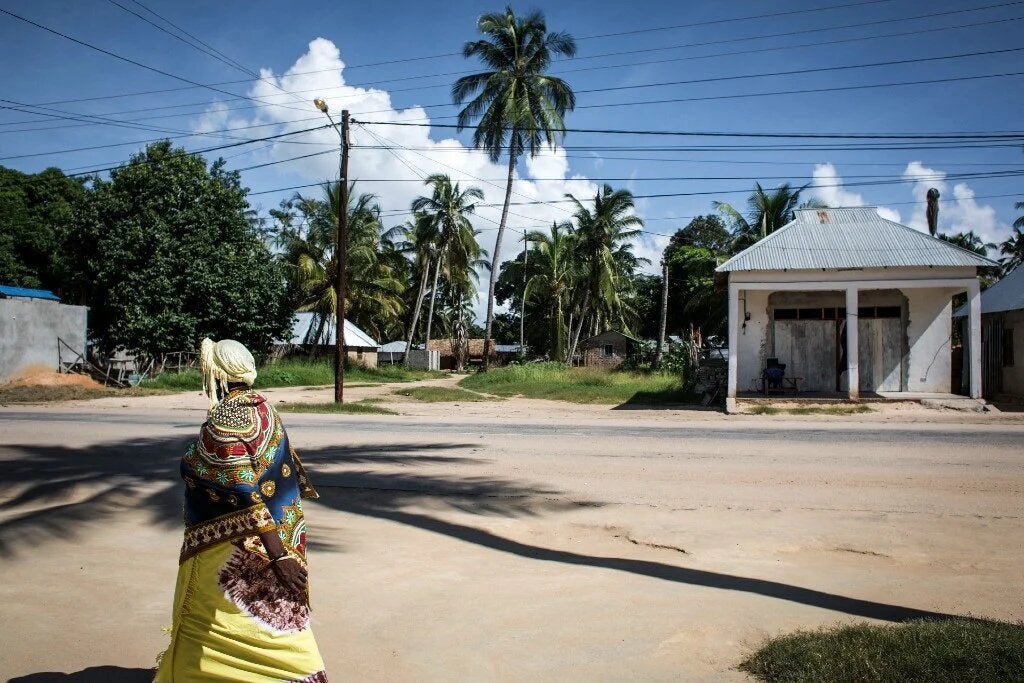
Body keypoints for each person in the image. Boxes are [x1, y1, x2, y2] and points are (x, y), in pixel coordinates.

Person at [154, 338, 327, 682]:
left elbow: (243, 490)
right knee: (268, 618)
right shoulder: (263, 407)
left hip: (234, 541)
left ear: (217, 375)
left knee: (219, 615)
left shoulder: (226, 419)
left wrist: (278, 556)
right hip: (276, 532)